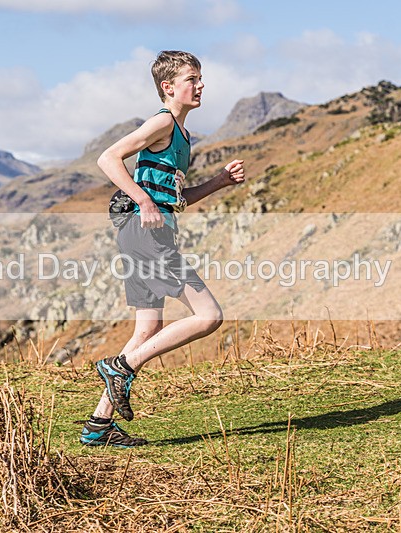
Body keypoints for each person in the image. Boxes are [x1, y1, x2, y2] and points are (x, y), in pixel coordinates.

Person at [80, 50, 246, 448]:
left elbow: (177, 196)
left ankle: (98, 427)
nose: (201, 84)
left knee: (148, 328)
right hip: (144, 232)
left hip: (150, 232)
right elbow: (109, 158)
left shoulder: (183, 137)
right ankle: (120, 367)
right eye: (192, 78)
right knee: (209, 316)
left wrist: (220, 182)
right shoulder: (162, 122)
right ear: (168, 87)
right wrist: (143, 201)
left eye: (201, 77)